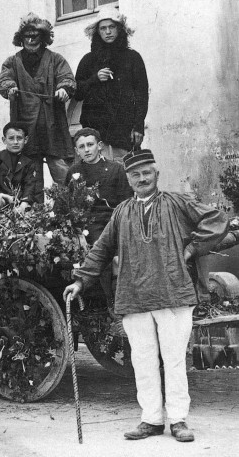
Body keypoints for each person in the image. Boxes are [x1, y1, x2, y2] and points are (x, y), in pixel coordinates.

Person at [63, 150, 229, 443]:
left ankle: (178, 419)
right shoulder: (122, 211)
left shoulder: (177, 202)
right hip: (134, 294)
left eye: (147, 173)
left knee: (175, 358)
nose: (142, 179)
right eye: (136, 175)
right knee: (142, 359)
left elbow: (215, 220)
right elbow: (102, 249)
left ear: (157, 175)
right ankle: (151, 419)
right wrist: (81, 281)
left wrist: (191, 249)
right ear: (128, 179)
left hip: (173, 293)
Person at [0, 13, 76, 195]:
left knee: (64, 176)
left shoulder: (56, 59)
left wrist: (64, 88)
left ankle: (70, 215)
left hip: (53, 128)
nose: (31, 39)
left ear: (44, 38)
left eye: (36, 35)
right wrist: (9, 88)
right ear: (21, 38)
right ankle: (34, 217)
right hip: (26, 130)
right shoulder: (12, 62)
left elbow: (67, 78)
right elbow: (3, 80)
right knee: (31, 180)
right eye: (27, 36)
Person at [74, 6, 148, 163]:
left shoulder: (133, 58)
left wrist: (139, 126)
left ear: (119, 29)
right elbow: (77, 92)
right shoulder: (88, 60)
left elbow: (141, 95)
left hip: (123, 131)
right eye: (103, 28)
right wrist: (94, 79)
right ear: (97, 32)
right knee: (97, 179)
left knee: (125, 175)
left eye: (112, 27)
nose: (108, 32)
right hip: (95, 132)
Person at [0, 121, 42, 212]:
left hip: (19, 204)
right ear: (4, 140)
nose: (15, 142)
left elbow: (30, 186)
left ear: (26, 140)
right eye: (11, 138)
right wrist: (5, 196)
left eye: (19, 138)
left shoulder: (29, 163)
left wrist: (23, 204)